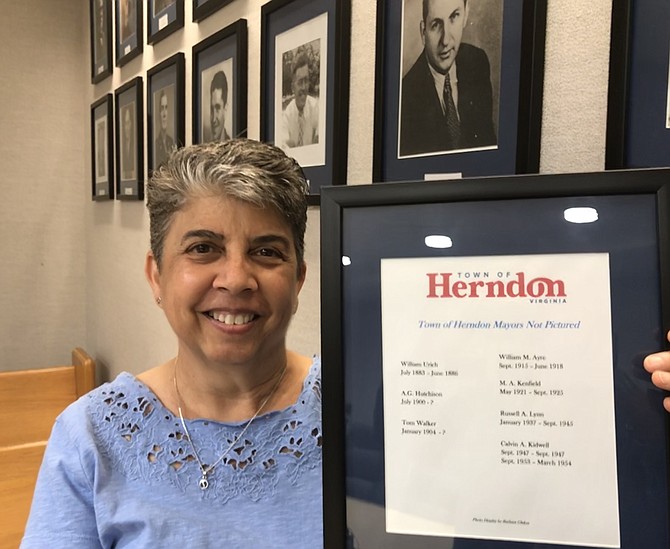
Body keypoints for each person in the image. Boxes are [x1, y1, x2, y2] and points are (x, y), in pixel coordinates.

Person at [21, 139, 323, 548]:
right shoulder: (90, 437)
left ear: (298, 280)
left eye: (266, 252)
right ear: (156, 275)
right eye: (203, 248)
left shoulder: (353, 413)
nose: (236, 279)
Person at [399, 0, 496, 156]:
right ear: (423, 32)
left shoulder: (477, 62)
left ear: (465, 14)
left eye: (454, 17)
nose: (445, 41)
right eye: (436, 25)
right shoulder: (405, 97)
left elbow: (487, 144)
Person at [281, 52, 319, 149]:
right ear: (293, 87)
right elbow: (285, 147)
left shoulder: (315, 108)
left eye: (306, 81)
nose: (304, 87)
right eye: (300, 82)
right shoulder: (286, 116)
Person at [207, 70, 231, 142]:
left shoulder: (232, 148)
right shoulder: (206, 148)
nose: (213, 119)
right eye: (212, 109)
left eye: (218, 108)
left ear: (225, 109)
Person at [154, 89, 176, 169]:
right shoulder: (155, 144)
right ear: (159, 112)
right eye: (162, 108)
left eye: (166, 108)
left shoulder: (171, 141)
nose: (164, 114)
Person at [121, 105, 135, 180]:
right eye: (125, 123)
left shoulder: (135, 147)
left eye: (128, 123)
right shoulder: (121, 148)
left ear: (131, 124)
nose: (126, 127)